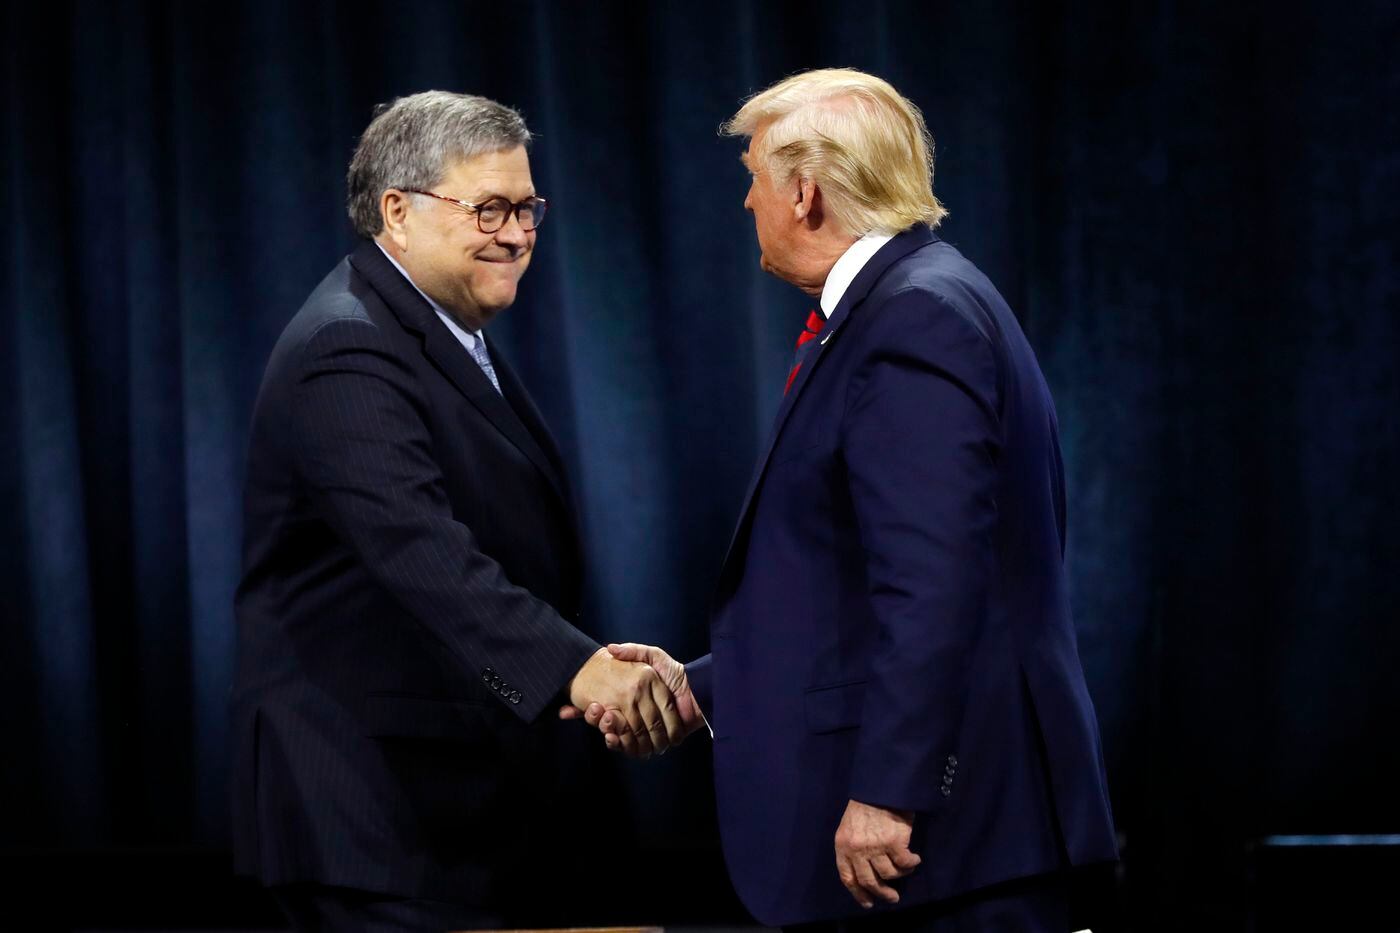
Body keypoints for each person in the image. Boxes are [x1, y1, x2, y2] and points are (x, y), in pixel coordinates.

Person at [570, 69, 1119, 931]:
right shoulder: (911, 301)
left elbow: (934, 583)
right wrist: (702, 689)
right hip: (959, 841)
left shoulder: (912, 318)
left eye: (753, 177)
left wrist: (891, 792)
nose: (747, 203)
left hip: (951, 846)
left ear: (806, 191)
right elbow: (851, 588)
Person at [230, 90, 684, 933]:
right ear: (397, 212)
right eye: (490, 208)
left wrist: (581, 661)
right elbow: (420, 550)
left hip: (464, 812)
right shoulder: (349, 344)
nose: (517, 233)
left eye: (527, 208)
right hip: (376, 819)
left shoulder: (438, 330)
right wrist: (578, 670)